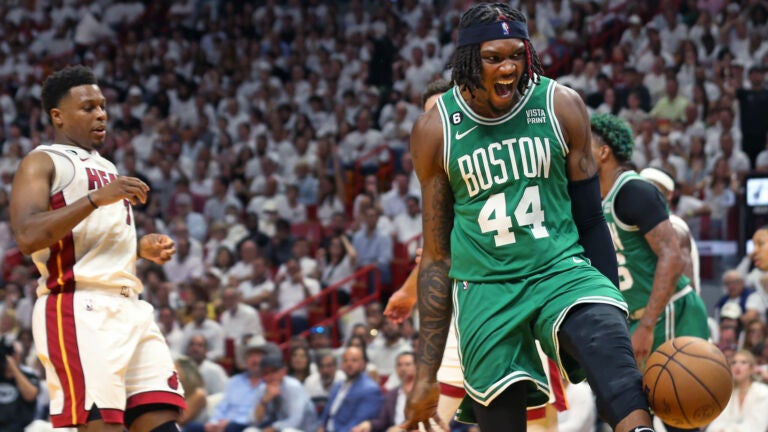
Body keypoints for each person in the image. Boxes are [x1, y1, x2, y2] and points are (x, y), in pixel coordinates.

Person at [404, 5, 654, 432]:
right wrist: (426, 375)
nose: (509, 68)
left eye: (516, 55)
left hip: (557, 268)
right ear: (467, 60)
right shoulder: (436, 130)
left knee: (607, 343)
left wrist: (618, 311)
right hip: (484, 287)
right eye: (494, 58)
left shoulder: (561, 104)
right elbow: (437, 257)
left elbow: (592, 220)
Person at [9, 65, 185, 431]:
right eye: (88, 107)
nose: (101, 113)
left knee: (164, 423)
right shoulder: (41, 161)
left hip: (131, 307)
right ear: (57, 116)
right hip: (80, 307)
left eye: (103, 106)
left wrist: (137, 249)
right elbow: (27, 235)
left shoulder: (105, 165)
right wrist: (95, 198)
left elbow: (86, 239)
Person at [386, 78, 565, 431]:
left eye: (445, 113)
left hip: (522, 297)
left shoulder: (502, 155)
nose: (438, 124)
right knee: (427, 418)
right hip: (467, 308)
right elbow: (435, 253)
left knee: (535, 420)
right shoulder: (440, 170)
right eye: (430, 117)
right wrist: (409, 293)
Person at [591, 114, 710, 431]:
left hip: (670, 313)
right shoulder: (591, 199)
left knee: (678, 413)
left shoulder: (634, 191)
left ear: (603, 151)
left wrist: (646, 324)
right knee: (632, 413)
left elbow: (672, 258)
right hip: (634, 319)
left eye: (583, 144)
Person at [243, 354, 317, 432]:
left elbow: (295, 420)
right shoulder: (263, 389)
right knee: (249, 430)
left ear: (283, 372)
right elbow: (253, 421)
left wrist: (272, 429)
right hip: (276, 429)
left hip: (304, 429)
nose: (270, 376)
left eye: (274, 371)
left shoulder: (293, 387)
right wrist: (264, 402)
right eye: (266, 373)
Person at [318, 346, 383, 432]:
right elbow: (326, 415)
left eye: (354, 360)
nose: (349, 364)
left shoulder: (370, 390)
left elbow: (357, 423)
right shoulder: (337, 385)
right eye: (345, 360)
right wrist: (321, 427)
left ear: (363, 364)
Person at [705, 350, 768, 432]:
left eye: (743, 362)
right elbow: (718, 423)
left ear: (752, 369)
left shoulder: (763, 392)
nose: (737, 366)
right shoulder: (728, 394)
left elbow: (756, 426)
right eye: (734, 362)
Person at [0, 340, 40, 432]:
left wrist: (13, 368)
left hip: (21, 428)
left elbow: (31, 395)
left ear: (21, 356)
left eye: (13, 353)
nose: (9, 356)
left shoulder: (29, 375)